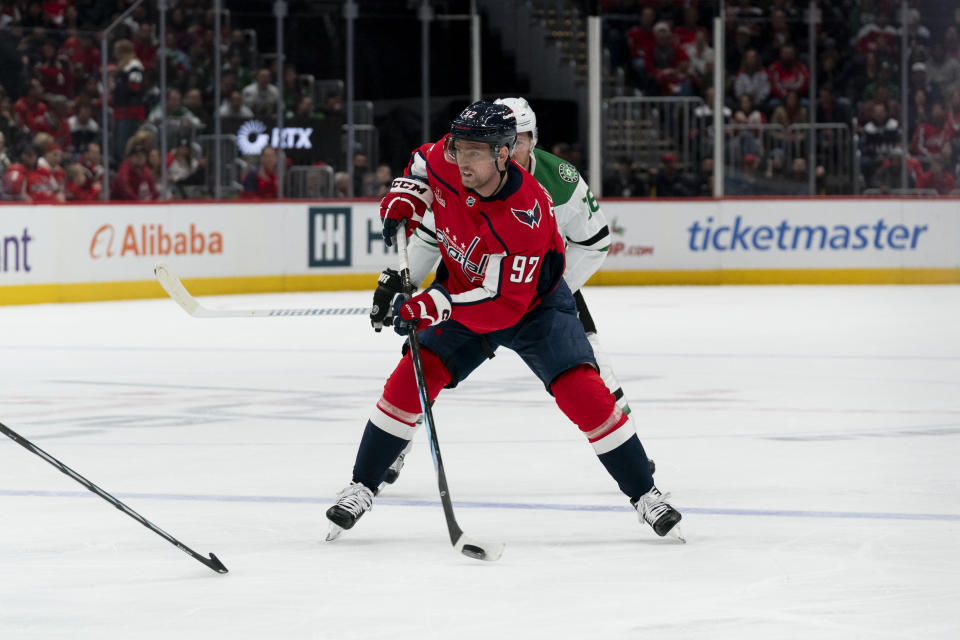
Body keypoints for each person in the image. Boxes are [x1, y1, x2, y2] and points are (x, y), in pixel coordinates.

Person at [325, 101, 682, 543]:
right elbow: (422, 161)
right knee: (409, 380)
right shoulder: (449, 158)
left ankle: (646, 495)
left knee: (585, 394)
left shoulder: (526, 210)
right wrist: (408, 194)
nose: (462, 159)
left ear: (502, 154)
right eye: (459, 148)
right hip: (463, 293)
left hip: (534, 309)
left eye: (476, 152)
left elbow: (502, 306)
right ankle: (362, 484)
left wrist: (429, 305)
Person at [370, 96, 639, 483]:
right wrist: (402, 281)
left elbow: (595, 242)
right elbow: (431, 233)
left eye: (525, 138)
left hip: (543, 286)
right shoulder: (474, 169)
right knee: (417, 357)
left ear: (531, 140)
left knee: (592, 371)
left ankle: (630, 458)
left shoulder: (561, 179)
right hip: (470, 274)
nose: (518, 145)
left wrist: (546, 289)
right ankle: (396, 448)